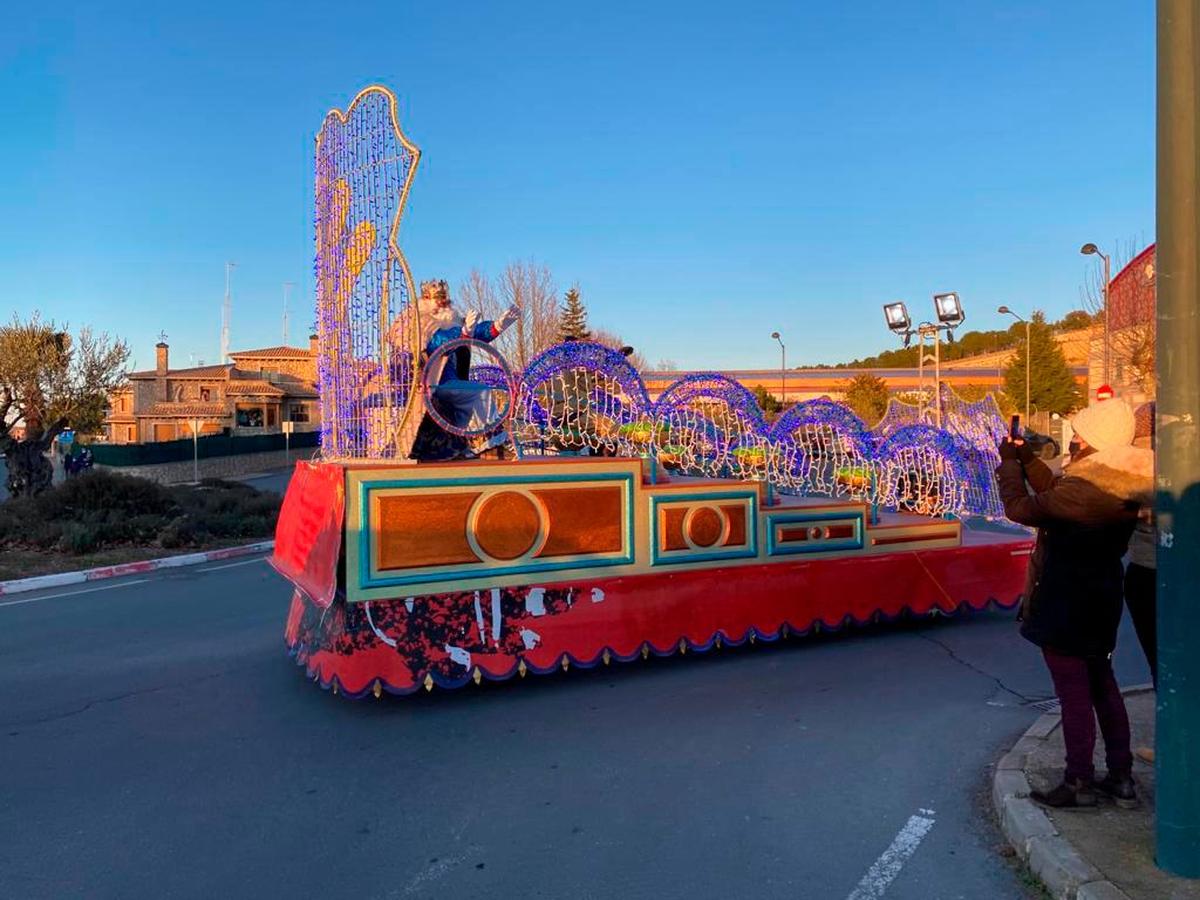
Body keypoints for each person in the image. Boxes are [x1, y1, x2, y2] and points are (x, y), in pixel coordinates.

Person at [996, 399, 1153, 809]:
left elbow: (1022, 507)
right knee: (1103, 683)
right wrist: (1028, 457)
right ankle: (1120, 775)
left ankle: (1078, 780)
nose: (1074, 441)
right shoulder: (1111, 482)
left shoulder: (1085, 492)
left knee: (1074, 692)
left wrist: (1010, 463)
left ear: (1096, 443)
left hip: (1066, 598)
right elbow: (1055, 491)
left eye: (1080, 436)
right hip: (1100, 596)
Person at [395, 279, 519, 461]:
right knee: (479, 392)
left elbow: (476, 333)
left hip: (449, 382)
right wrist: (463, 333)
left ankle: (477, 444)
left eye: (445, 298)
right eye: (438, 298)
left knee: (475, 393)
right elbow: (439, 343)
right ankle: (484, 445)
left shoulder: (449, 322)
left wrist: (497, 326)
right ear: (426, 299)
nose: (443, 303)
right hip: (430, 383)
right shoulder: (422, 325)